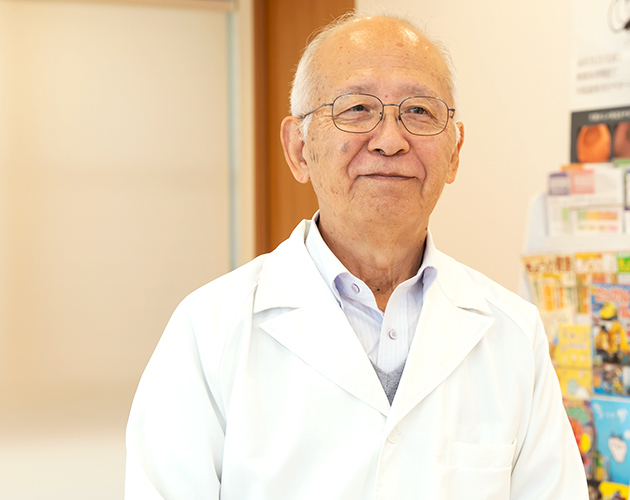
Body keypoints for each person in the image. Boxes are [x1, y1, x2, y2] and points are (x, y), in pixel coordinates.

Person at [125, 12, 588, 500]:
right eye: (358, 108)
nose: (390, 140)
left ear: (454, 152)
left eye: (419, 111)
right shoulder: (209, 330)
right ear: (299, 148)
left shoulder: (514, 334)